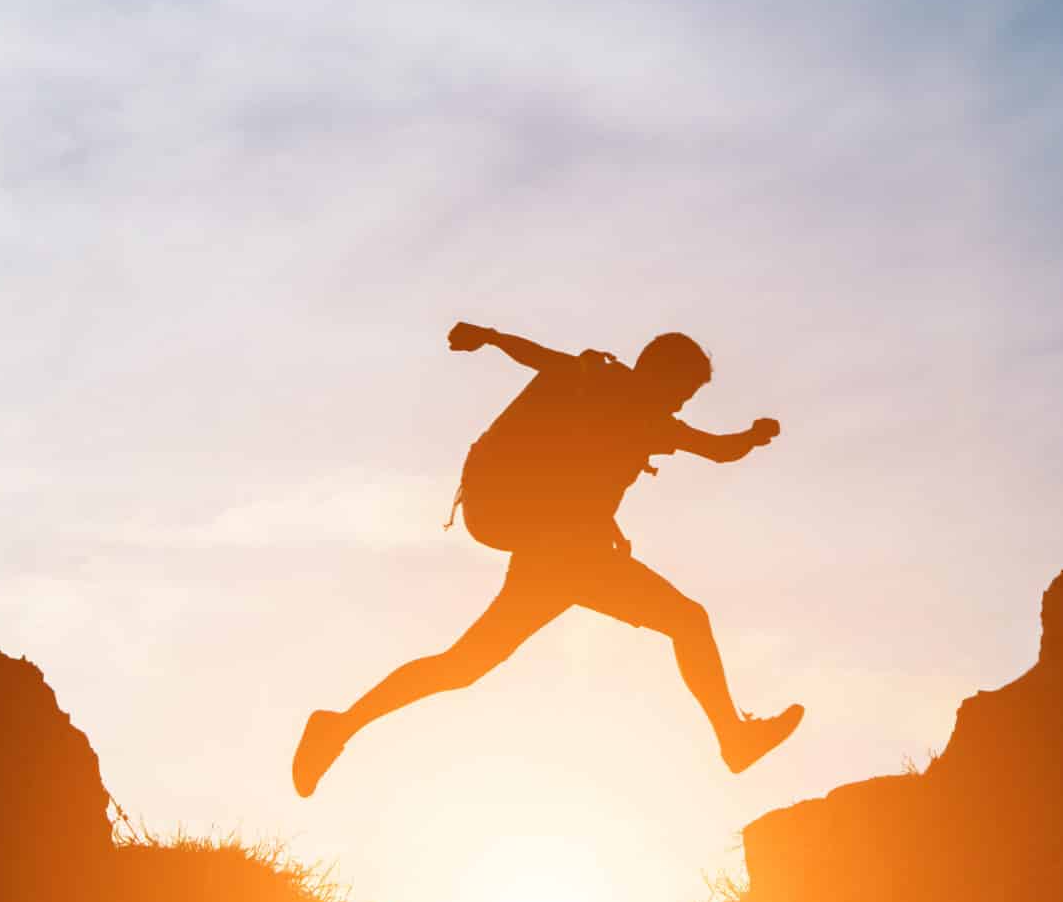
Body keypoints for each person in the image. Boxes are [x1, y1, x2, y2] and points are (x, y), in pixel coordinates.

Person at [292, 321, 803, 797]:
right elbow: (717, 449)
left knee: (463, 666)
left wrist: (488, 337)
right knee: (689, 621)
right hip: (566, 557)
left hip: (553, 559)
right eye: (682, 391)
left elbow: (546, 366)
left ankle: (340, 725)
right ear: (660, 374)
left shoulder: (612, 394)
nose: (680, 404)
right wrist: (754, 436)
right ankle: (734, 740)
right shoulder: (610, 389)